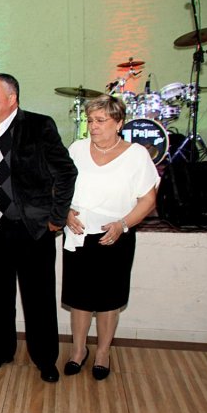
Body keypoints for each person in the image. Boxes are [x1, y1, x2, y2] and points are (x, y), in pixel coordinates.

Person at [0, 73, 77, 383]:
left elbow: (66, 172)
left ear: (12, 98)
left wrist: (57, 217)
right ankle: (2, 351)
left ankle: (45, 359)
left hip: (30, 229)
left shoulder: (39, 126)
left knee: (38, 299)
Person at [62, 94, 159, 380]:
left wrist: (122, 224)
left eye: (101, 120)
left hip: (115, 236)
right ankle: (78, 351)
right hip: (79, 235)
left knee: (109, 299)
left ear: (118, 123)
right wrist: (66, 212)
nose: (93, 126)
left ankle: (103, 352)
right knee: (79, 299)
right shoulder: (77, 149)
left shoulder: (136, 155)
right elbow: (60, 187)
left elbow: (148, 200)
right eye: (90, 120)